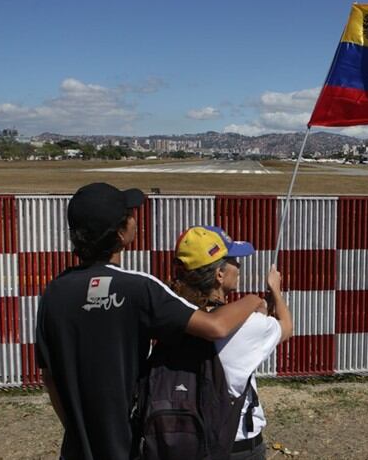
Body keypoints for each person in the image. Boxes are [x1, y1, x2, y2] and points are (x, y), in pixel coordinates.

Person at [35, 183, 266, 460]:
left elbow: (49, 377)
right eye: (130, 214)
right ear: (122, 234)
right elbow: (214, 326)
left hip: (75, 449)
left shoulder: (54, 292)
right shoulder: (139, 289)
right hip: (126, 446)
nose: (135, 217)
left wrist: (76, 428)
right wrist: (254, 300)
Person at [169, 226, 293, 460]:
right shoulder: (245, 326)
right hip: (234, 444)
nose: (239, 265)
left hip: (180, 438)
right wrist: (275, 290)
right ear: (219, 274)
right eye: (234, 260)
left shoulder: (171, 313)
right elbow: (286, 328)